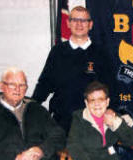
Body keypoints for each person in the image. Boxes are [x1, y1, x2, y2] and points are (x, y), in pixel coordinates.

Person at [32, 6, 112, 134]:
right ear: (68, 23)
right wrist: (31, 107)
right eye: (75, 20)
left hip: (94, 122)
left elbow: (111, 85)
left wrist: (112, 110)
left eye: (83, 20)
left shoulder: (101, 53)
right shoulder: (57, 52)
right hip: (62, 121)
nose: (79, 24)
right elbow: (45, 84)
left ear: (90, 25)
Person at [0, 67, 65, 160]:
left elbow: (58, 136)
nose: (17, 89)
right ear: (1, 86)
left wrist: (41, 150)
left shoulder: (37, 110)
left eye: (22, 85)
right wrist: (13, 159)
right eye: (12, 84)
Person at [66, 81, 133, 160]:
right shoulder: (78, 118)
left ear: (107, 101)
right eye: (92, 100)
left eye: (101, 99)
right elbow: (73, 145)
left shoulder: (114, 116)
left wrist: (114, 123)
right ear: (86, 103)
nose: (97, 104)